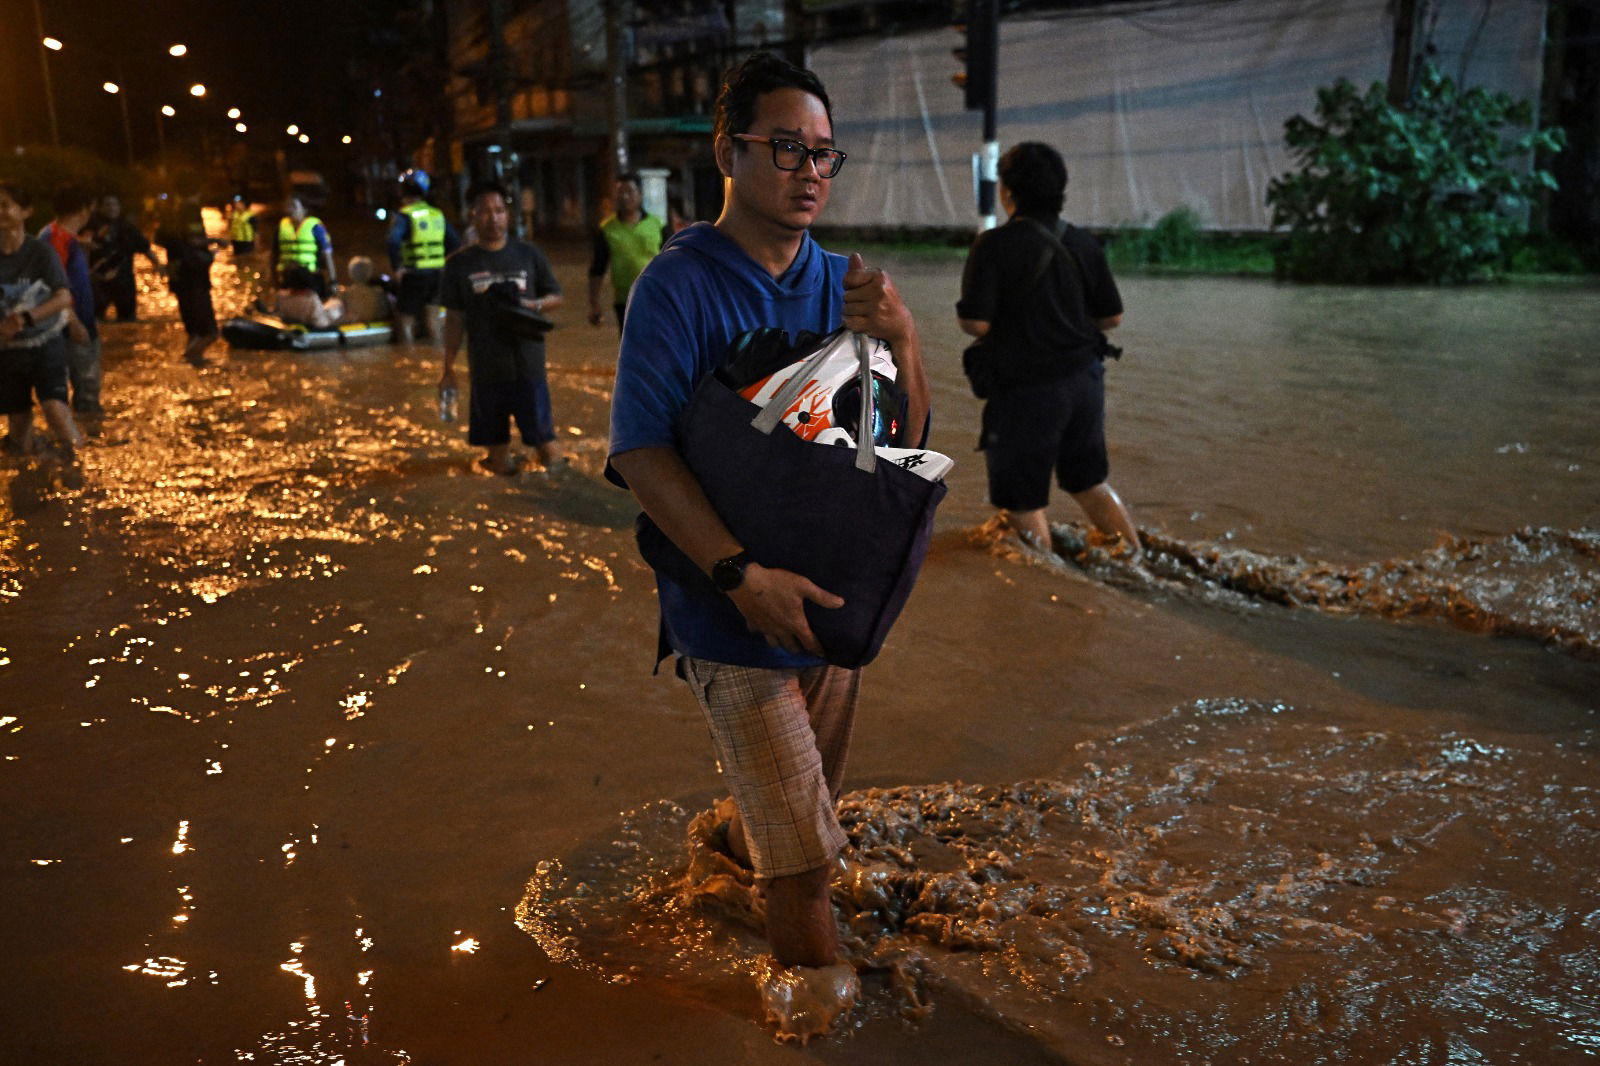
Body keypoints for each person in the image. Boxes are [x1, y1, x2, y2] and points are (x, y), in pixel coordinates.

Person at [606, 52, 929, 990]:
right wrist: (739, 577)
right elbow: (639, 452)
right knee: (808, 866)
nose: (810, 173)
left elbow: (897, 445)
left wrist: (902, 337)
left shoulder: (846, 282)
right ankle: (818, 1010)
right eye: (787, 148)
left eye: (826, 155)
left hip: (826, 607)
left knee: (796, 817)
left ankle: (720, 858)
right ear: (728, 151)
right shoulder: (679, 285)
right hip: (732, 610)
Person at [956, 141, 1140, 557]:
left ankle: (1048, 587)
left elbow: (976, 323)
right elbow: (1112, 318)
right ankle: (1136, 561)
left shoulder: (994, 246)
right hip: (1085, 384)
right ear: (1060, 189)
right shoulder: (1083, 243)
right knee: (1088, 482)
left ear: (1007, 191)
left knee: (1022, 501)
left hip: (1027, 392)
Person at [439, 180, 565, 476]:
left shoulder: (529, 255)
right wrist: (447, 367)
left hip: (528, 365)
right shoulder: (458, 265)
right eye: (485, 212)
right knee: (497, 456)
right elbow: (454, 319)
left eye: (499, 211)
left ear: (508, 215)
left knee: (547, 446)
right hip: (486, 368)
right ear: (472, 216)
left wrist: (531, 304)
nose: (493, 218)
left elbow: (556, 297)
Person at [0, 182, 82, 460]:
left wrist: (23, 318)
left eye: (4, 205)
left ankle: (81, 473)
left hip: (45, 341)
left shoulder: (41, 253)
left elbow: (62, 297)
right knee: (19, 420)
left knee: (54, 409)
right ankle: (25, 485)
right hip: (7, 349)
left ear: (26, 211)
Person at [38, 188, 103, 415]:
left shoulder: (62, 236)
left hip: (78, 322)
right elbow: (51, 287)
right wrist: (73, 322)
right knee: (87, 389)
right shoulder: (56, 239)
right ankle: (87, 440)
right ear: (83, 210)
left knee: (87, 386)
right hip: (70, 326)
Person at [387, 171, 459, 342]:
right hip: (438, 275)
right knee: (433, 320)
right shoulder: (437, 215)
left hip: (414, 274)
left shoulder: (404, 215)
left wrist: (397, 268)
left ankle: (408, 354)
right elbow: (455, 243)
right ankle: (438, 353)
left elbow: (392, 242)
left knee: (405, 319)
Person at [587, 171, 664, 329]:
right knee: (631, 350)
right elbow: (598, 268)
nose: (625, 197)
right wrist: (594, 302)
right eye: (620, 192)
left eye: (629, 191)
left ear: (640, 194)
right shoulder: (607, 229)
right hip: (626, 301)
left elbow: (673, 264)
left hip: (658, 298)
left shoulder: (658, 225)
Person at [155, 184, 219, 367]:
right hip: (194, 276)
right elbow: (193, 238)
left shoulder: (170, 212)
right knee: (209, 332)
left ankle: (192, 363)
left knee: (193, 329)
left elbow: (159, 239)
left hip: (177, 275)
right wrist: (214, 242)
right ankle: (190, 359)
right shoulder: (190, 210)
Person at [81, 194, 158, 322]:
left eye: (114, 205)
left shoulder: (128, 227)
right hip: (98, 283)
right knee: (95, 319)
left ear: (120, 207)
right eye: (107, 205)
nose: (112, 208)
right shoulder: (90, 227)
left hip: (124, 282)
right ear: (100, 208)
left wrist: (157, 265)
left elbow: (145, 248)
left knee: (128, 321)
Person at [272, 195, 337, 298]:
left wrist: (333, 280)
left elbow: (327, 254)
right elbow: (274, 255)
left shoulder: (316, 227)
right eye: (288, 205)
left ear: (304, 209)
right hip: (287, 277)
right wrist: (274, 280)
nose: (289, 209)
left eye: (294, 206)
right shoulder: (280, 227)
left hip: (311, 277)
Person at [274, 266, 344, 329]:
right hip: (312, 332)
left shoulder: (281, 297)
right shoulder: (311, 299)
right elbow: (321, 323)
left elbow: (278, 315)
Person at [338, 256, 390, 324]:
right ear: (369, 273)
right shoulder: (378, 293)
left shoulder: (344, 294)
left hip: (354, 331)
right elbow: (384, 314)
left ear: (350, 273)